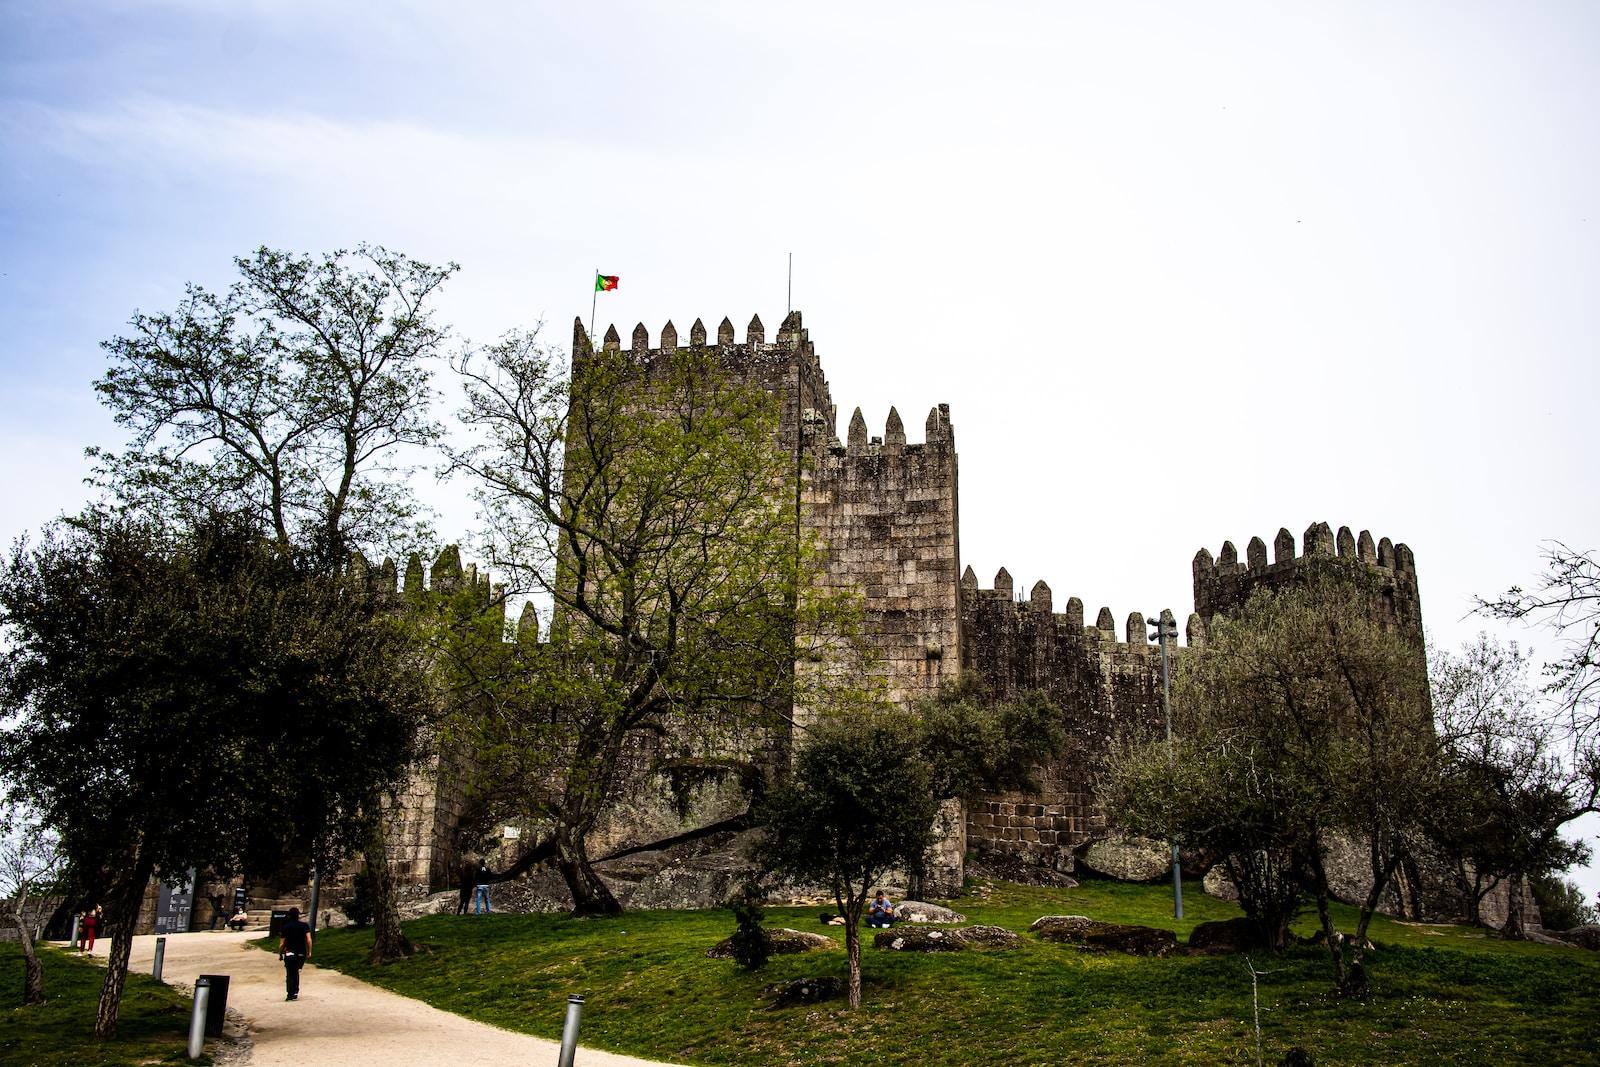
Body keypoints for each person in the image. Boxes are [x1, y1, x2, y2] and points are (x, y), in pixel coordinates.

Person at [277, 906, 313, 1001]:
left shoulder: (286, 927)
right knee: (296, 971)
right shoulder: (304, 926)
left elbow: (282, 944)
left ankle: (290, 993)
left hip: (289, 953)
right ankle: (295, 991)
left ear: (289, 916)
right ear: (298, 915)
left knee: (290, 973)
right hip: (301, 953)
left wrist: (280, 954)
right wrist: (309, 952)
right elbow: (309, 940)